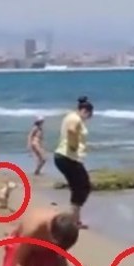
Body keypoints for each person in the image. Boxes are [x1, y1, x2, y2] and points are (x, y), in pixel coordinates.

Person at [53, 97, 94, 227]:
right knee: (83, 187)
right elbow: (71, 130)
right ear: (85, 111)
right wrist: (73, 146)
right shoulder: (75, 119)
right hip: (67, 156)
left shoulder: (71, 116)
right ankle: (72, 220)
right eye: (89, 115)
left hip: (66, 157)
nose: (88, 118)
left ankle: (74, 218)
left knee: (79, 187)